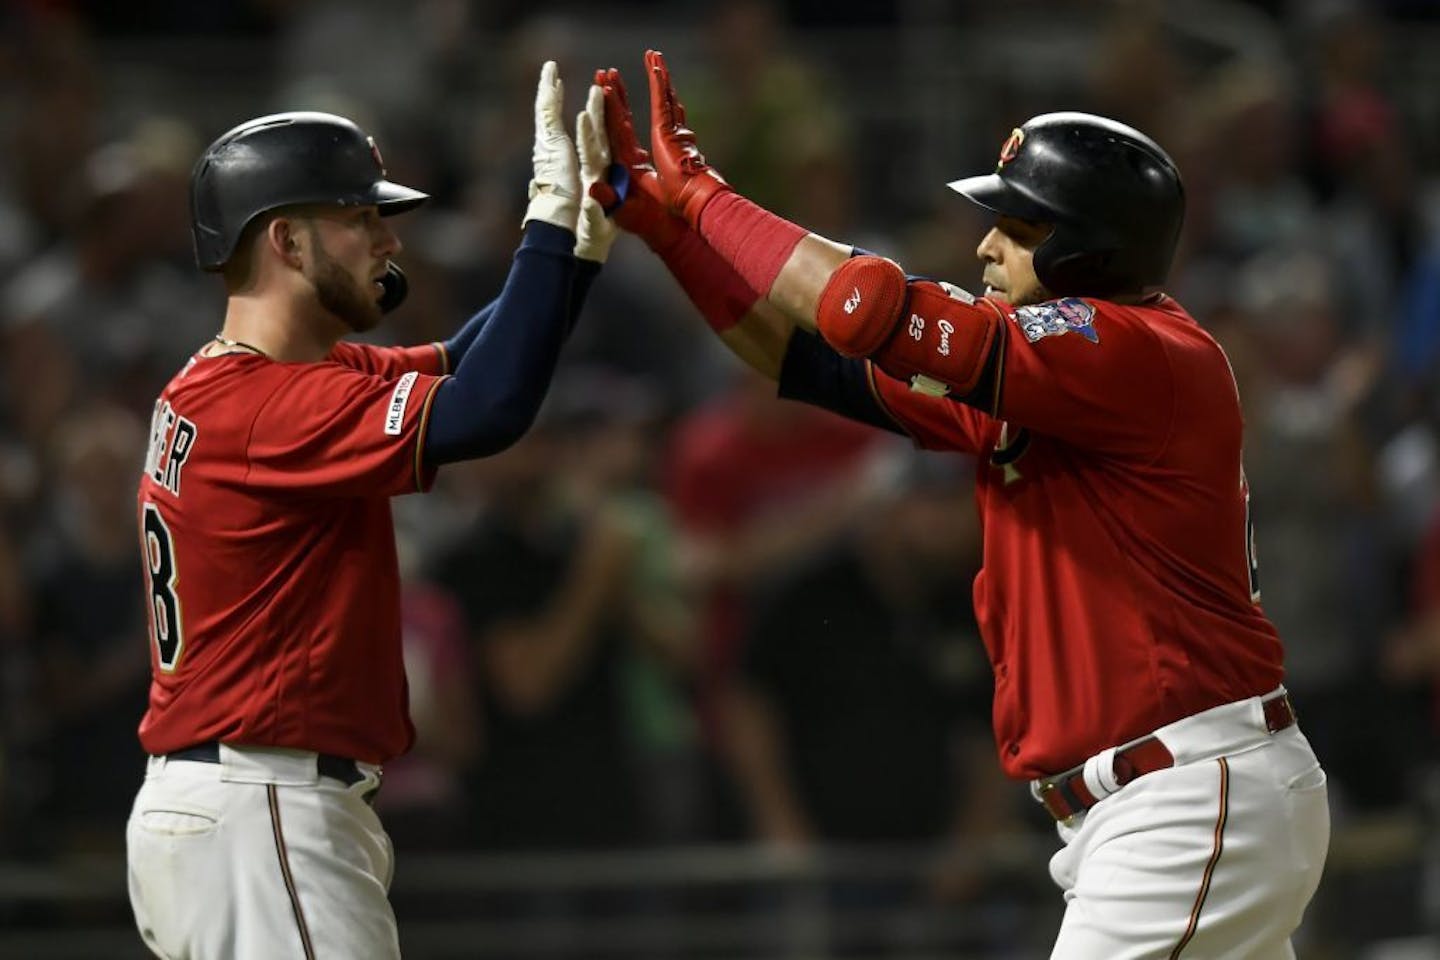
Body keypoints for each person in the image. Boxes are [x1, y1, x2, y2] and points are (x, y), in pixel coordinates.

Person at [591, 51, 1331, 957]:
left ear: (1086, 245)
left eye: (1016, 226)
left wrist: (704, 195)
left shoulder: (1134, 348)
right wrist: (670, 234)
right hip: (1171, 801)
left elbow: (864, 308)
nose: (984, 245)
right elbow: (807, 361)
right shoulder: (1055, 381)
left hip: (1185, 798)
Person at [125, 62, 617, 960]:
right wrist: (545, 216)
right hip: (263, 804)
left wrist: (574, 247)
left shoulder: (252, 384)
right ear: (286, 240)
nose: (386, 244)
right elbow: (487, 411)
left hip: (235, 805)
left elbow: (471, 364)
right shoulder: (265, 408)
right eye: (358, 220)